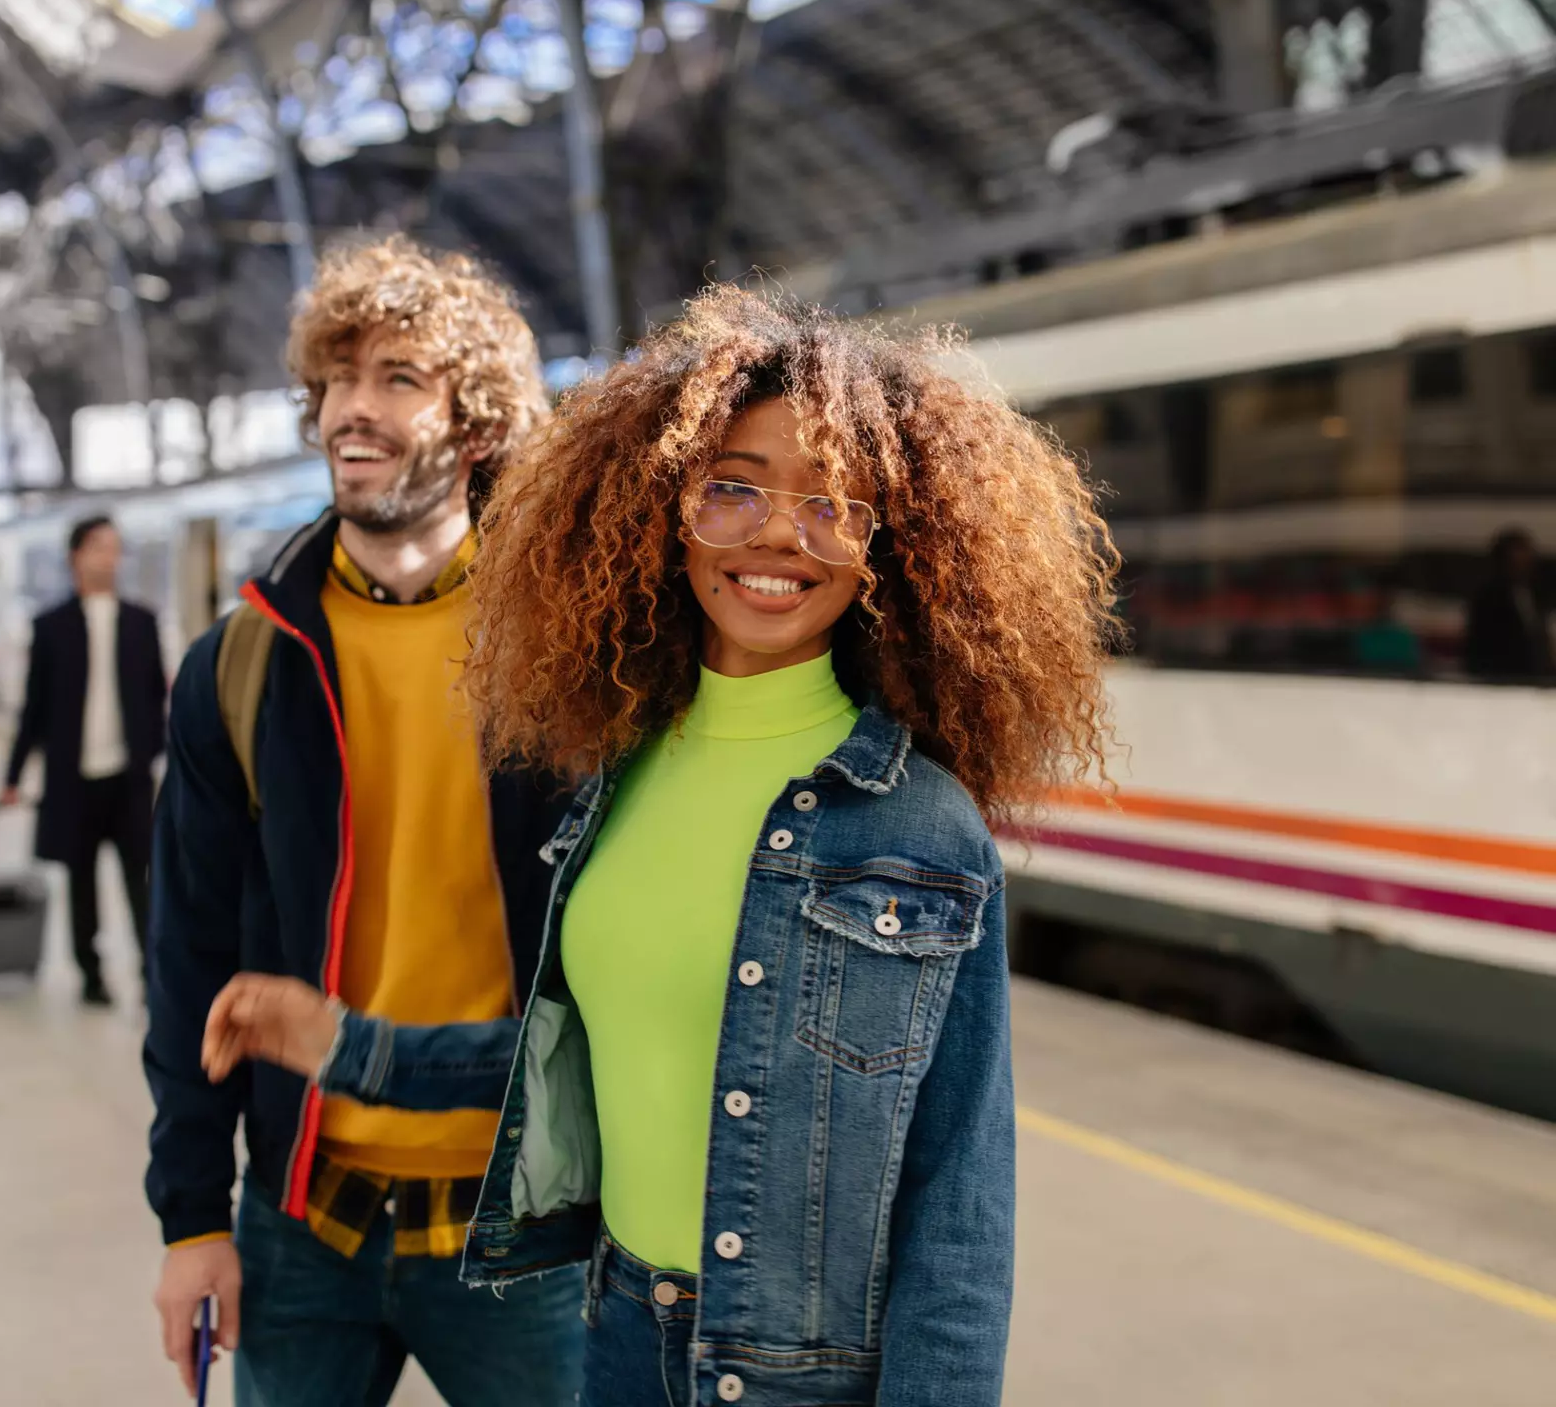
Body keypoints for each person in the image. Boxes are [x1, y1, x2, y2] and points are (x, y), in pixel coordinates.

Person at [200, 288, 1120, 1407]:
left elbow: (959, 1208)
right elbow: (584, 1063)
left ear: (897, 547)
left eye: (836, 504)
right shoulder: (606, 780)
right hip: (613, 1337)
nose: (778, 534)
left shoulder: (921, 830)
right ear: (659, 508)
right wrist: (352, 1049)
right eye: (731, 488)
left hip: (795, 1377)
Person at [144, 237, 584, 1406]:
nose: (352, 407)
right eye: (335, 380)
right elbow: (188, 954)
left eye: (397, 377)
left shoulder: (569, 657)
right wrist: (189, 1216)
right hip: (305, 1216)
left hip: (526, 1215)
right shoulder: (244, 662)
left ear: (477, 425)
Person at [1, 515, 166, 1006]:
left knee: (143, 883)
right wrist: (12, 777)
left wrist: (152, 754)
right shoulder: (51, 627)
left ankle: (151, 976)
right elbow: (34, 709)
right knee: (81, 885)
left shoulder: (142, 622)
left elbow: (158, 695)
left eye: (115, 549)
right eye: (98, 548)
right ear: (76, 556)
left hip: (130, 781)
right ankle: (91, 977)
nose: (108, 558)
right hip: (73, 783)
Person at [1463, 528, 1553, 682]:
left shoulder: (1536, 594)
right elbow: (1480, 647)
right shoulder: (1488, 598)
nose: (1524, 563)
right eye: (1516, 560)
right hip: (1502, 679)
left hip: (1537, 679)